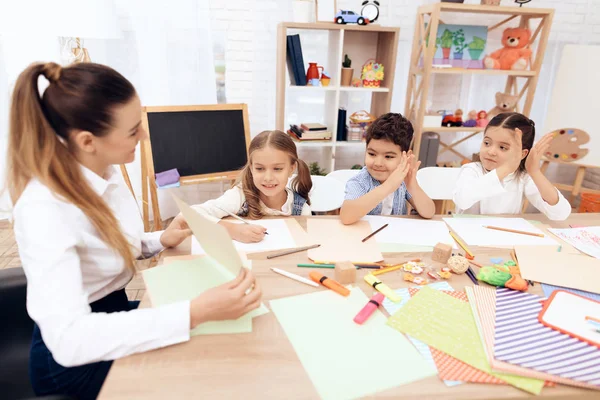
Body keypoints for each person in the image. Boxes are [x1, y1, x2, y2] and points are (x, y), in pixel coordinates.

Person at [7, 62, 262, 400]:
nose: (144, 136)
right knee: (202, 375)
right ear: (87, 141)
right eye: (132, 131)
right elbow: (70, 341)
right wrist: (194, 312)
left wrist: (157, 240)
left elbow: (101, 248)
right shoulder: (44, 210)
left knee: (221, 347)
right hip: (74, 364)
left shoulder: (106, 172)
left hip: (116, 315)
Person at [191, 130, 312, 243]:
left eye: (277, 169)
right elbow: (191, 214)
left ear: (292, 168)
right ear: (251, 168)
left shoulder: (302, 209)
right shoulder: (239, 196)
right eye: (260, 168)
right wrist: (232, 230)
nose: (268, 177)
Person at [453, 112, 571, 220]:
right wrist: (506, 168)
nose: (491, 151)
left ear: (522, 154)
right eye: (487, 143)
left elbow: (560, 213)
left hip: (505, 240)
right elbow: (463, 200)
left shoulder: (522, 177)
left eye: (502, 147)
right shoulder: (471, 170)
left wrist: (535, 172)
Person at [340, 112, 435, 224]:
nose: (378, 163)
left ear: (406, 157)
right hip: (365, 237)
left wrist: (412, 185)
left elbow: (429, 212)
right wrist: (388, 186)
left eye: (388, 156)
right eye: (372, 154)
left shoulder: (404, 181)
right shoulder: (360, 181)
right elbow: (346, 216)